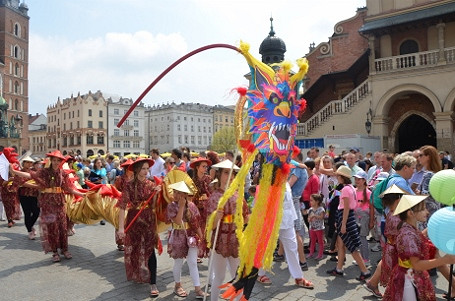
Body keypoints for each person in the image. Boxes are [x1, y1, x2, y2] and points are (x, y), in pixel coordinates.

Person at [11, 150, 85, 262]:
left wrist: (81, 194)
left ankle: (64, 249)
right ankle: (55, 252)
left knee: (62, 227)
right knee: (52, 228)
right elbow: (31, 175)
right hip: (47, 205)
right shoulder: (45, 172)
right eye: (54, 160)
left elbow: (69, 188)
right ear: (51, 161)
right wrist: (15, 172)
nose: (56, 162)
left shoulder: (63, 173)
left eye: (58, 160)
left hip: (59, 204)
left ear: (61, 162)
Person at [382, 195, 455, 301]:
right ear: (410, 213)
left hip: (411, 276)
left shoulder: (409, 228)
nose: (427, 212)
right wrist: (444, 260)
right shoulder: (408, 234)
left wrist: (432, 227)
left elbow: (418, 238)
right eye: (423, 209)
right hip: (409, 280)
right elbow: (416, 265)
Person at [117, 157, 161, 298]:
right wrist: (120, 229)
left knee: (150, 250)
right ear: (136, 170)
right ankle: (137, 273)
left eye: (148, 168)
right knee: (135, 248)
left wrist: (158, 193)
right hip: (134, 219)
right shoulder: (129, 185)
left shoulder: (150, 184)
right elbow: (122, 207)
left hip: (148, 221)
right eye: (143, 168)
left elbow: (155, 206)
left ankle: (153, 283)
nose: (146, 171)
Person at [205, 160, 247, 300]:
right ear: (219, 174)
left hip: (235, 238)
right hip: (220, 239)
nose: (230, 176)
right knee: (220, 275)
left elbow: (245, 217)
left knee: (237, 275)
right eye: (226, 172)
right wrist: (217, 217)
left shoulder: (238, 195)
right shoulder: (215, 196)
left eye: (232, 173)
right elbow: (210, 225)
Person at [326, 165, 371, 281]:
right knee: (341, 245)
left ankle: (365, 271)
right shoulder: (351, 187)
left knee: (352, 246)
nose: (337, 177)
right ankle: (339, 269)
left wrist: (343, 224)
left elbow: (346, 208)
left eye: (338, 176)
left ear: (342, 177)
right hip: (347, 217)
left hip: (346, 218)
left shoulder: (346, 189)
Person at [363, 184, 408, 298]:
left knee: (387, 267)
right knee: (396, 275)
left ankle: (373, 283)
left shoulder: (390, 213)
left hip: (391, 247)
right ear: (398, 200)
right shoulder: (397, 216)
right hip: (396, 249)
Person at [167, 181, 207, 298]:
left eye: (178, 192)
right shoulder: (171, 206)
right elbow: (178, 221)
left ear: (184, 194)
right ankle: (177, 285)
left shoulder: (192, 206)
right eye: (174, 192)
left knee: (193, 263)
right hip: (178, 235)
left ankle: (198, 289)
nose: (175, 195)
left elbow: (196, 223)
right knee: (178, 262)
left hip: (191, 236)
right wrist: (181, 207)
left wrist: (202, 237)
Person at [10, 156, 40, 239]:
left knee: (36, 212)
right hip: (24, 195)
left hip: (34, 195)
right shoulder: (19, 172)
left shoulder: (33, 172)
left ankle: (30, 226)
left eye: (30, 162)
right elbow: (22, 183)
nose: (29, 164)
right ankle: (30, 231)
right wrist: (36, 186)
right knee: (27, 213)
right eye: (27, 162)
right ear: (23, 163)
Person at [416, 145, 442, 230]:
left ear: (428, 157)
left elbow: (424, 194)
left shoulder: (428, 175)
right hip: (435, 210)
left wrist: (416, 193)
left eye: (421, 155)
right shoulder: (436, 174)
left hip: (427, 212)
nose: (418, 158)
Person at [354, 170, 372, 267]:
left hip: (364, 217)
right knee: (357, 238)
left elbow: (372, 207)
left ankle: (366, 259)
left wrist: (371, 220)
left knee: (362, 238)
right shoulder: (354, 190)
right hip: (355, 217)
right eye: (356, 179)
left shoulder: (368, 192)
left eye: (359, 179)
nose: (357, 181)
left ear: (364, 180)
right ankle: (360, 259)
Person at [307, 193, 325, 260]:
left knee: (320, 241)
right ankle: (311, 253)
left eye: (311, 200)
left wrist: (314, 216)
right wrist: (309, 219)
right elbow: (308, 218)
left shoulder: (321, 209)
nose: (310, 202)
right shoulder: (310, 209)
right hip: (312, 228)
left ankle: (320, 254)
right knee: (312, 241)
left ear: (317, 201)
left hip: (319, 228)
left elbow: (322, 217)